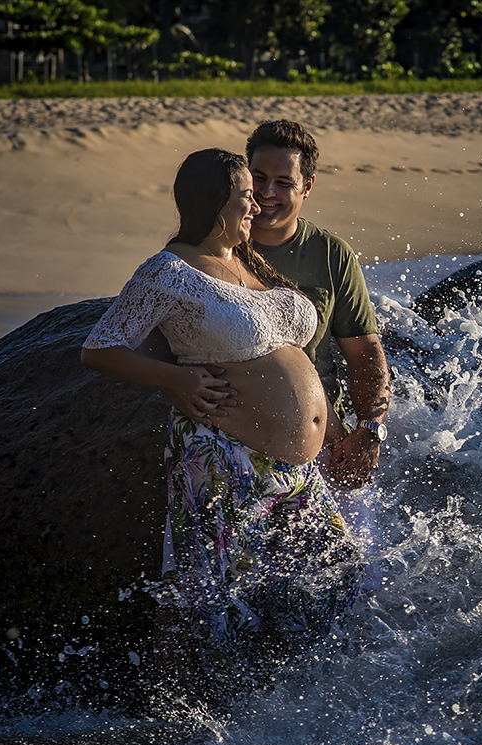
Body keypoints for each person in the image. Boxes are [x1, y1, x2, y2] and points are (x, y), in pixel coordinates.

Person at [80, 148, 365, 687]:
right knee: (213, 596)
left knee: (339, 574)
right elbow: (101, 348)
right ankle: (199, 724)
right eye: (245, 192)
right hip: (221, 455)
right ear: (216, 201)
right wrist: (176, 380)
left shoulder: (248, 262)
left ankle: (301, 702)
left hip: (294, 470)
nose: (257, 202)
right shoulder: (168, 270)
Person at [244, 119, 390, 490]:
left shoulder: (330, 254)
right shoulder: (220, 247)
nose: (267, 192)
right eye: (258, 178)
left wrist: (369, 433)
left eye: (284, 183)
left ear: (307, 186)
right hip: (238, 445)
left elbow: (365, 355)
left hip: (326, 447)